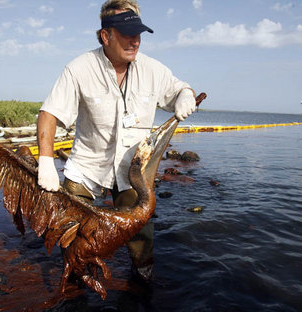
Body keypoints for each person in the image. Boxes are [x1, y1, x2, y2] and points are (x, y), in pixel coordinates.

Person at [36, 0, 196, 282]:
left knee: (141, 237)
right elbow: (49, 115)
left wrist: (185, 95)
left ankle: (142, 280)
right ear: (105, 36)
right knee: (72, 235)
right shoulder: (79, 69)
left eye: (138, 34)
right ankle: (75, 284)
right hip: (87, 167)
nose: (135, 41)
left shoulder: (153, 70)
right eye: (126, 34)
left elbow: (180, 89)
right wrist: (46, 161)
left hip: (133, 169)